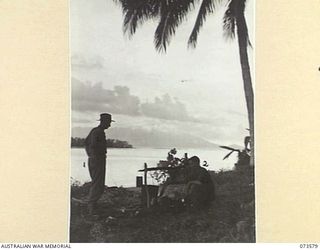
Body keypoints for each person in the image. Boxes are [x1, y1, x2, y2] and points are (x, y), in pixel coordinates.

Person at [84, 113, 114, 214]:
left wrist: (90, 155)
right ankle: (91, 208)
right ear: (104, 122)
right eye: (109, 122)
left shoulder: (95, 131)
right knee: (98, 184)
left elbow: (86, 143)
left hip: (95, 160)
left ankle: (93, 206)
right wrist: (95, 156)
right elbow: (92, 145)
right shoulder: (98, 132)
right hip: (98, 160)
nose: (109, 125)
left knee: (97, 183)